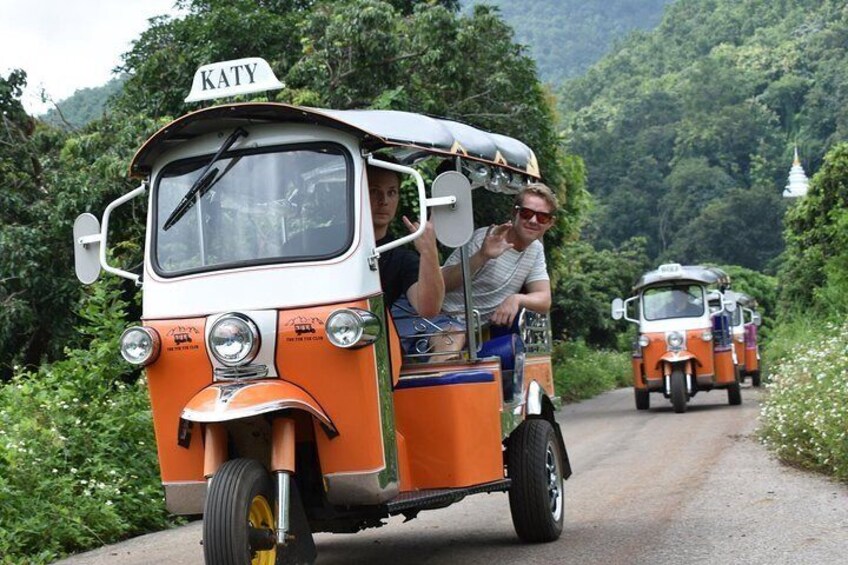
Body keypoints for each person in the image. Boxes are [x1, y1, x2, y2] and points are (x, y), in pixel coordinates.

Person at [440, 182, 558, 332]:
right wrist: (482, 256)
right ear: (515, 213)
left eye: (542, 217)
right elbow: (442, 283)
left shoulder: (535, 250)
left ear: (550, 223)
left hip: (474, 332)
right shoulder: (485, 238)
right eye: (526, 213)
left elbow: (544, 299)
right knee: (455, 336)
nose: (533, 221)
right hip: (441, 316)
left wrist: (517, 299)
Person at [368, 161, 444, 319]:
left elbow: (429, 309)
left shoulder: (401, 259)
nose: (384, 201)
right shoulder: (326, 241)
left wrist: (429, 251)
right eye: (374, 191)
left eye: (391, 192)